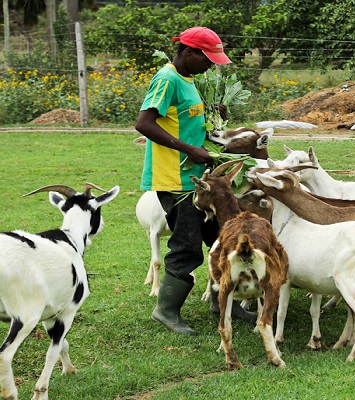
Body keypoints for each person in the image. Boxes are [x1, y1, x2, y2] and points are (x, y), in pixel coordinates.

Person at [135, 26, 256, 335]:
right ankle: (166, 310)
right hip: (178, 181)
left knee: (222, 238)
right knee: (187, 246)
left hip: (200, 180)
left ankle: (222, 303)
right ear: (189, 52)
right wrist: (189, 149)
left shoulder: (190, 80)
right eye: (208, 59)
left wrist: (214, 118)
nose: (211, 65)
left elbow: (186, 121)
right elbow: (145, 123)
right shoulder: (167, 79)